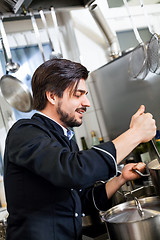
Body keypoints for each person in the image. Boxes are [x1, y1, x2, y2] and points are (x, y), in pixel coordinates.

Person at [3, 58, 156, 240]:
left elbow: (81, 200)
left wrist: (121, 179)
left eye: (86, 94)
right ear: (52, 96)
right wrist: (135, 134)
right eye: (78, 94)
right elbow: (73, 171)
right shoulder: (25, 132)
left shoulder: (64, 138)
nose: (87, 102)